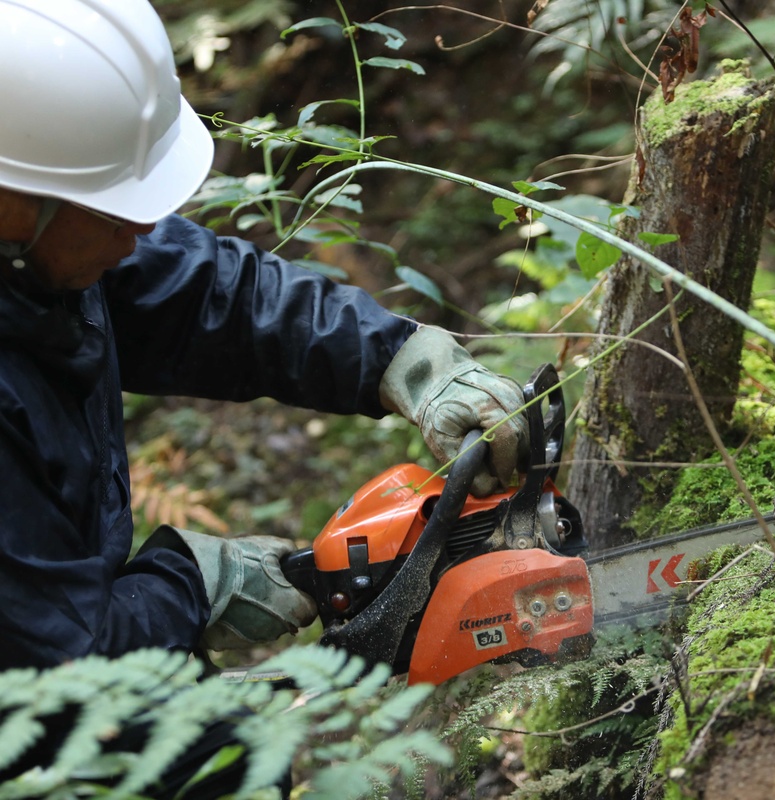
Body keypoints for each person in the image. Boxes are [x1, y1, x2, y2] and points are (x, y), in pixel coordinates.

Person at [0, 0, 527, 794]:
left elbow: (206, 294)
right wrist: (189, 586)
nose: (140, 230)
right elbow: (49, 661)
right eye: (116, 208)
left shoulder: (52, 248)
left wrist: (404, 360)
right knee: (221, 757)